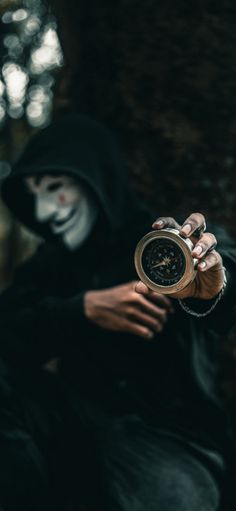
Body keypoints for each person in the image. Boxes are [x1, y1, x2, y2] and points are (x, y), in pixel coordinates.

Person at [0, 113, 235, 511]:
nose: (44, 211)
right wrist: (82, 310)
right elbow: (8, 327)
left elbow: (223, 265)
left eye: (56, 188)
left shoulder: (161, 239)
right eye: (34, 194)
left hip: (169, 440)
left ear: (97, 177)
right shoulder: (53, 261)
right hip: (71, 428)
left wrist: (210, 286)